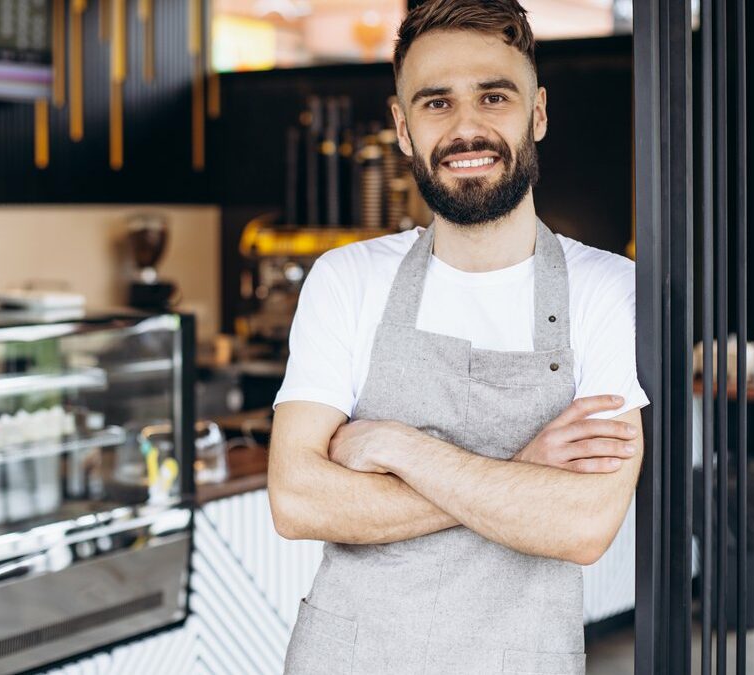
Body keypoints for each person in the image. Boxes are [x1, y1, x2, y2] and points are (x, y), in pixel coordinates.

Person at [268, 1, 649, 672]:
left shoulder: (607, 289)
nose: (466, 128)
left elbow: (583, 525)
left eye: (493, 97)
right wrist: (520, 474)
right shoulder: (347, 280)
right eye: (436, 103)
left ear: (538, 114)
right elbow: (297, 499)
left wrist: (393, 445)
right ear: (403, 128)